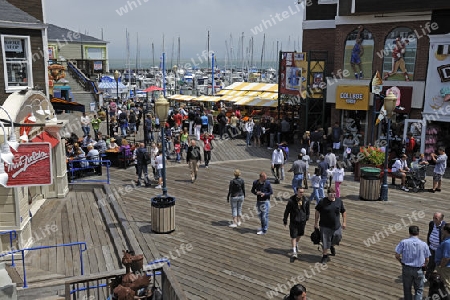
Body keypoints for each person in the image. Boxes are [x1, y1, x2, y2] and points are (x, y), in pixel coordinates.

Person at [394, 225, 430, 300]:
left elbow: (397, 255)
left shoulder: (403, 242)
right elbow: (427, 259)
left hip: (406, 268)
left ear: (409, 232)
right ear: (418, 233)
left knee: (407, 289)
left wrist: (401, 262)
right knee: (419, 290)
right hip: (419, 269)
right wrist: (424, 269)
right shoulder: (423, 244)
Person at [314, 186, 347, 264]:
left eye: (334, 194)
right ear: (327, 194)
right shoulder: (322, 201)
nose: (333, 196)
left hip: (336, 226)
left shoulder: (339, 201)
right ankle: (324, 256)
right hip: (325, 225)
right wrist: (316, 222)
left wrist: (344, 222)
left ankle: (332, 245)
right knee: (325, 241)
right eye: (331, 194)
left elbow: (343, 211)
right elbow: (317, 211)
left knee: (338, 237)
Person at [283, 188, 310, 259]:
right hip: (294, 221)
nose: (301, 193)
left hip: (302, 220)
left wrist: (307, 216)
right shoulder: (291, 200)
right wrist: (285, 219)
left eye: (302, 192)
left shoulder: (306, 200)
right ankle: (294, 251)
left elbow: (307, 210)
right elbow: (287, 211)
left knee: (300, 234)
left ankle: (296, 244)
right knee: (293, 236)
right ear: (297, 192)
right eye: (300, 192)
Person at [426, 212, 446, 280]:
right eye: (433, 218)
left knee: (438, 264)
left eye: (436, 218)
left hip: (439, 249)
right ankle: (427, 277)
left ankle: (439, 278)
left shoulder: (444, 226)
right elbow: (429, 233)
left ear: (441, 219)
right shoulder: (431, 223)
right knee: (430, 263)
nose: (434, 220)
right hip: (431, 247)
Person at [435, 223, 450, 293]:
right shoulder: (446, 240)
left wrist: (441, 266)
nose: (442, 230)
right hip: (445, 266)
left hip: (445, 267)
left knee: (446, 284)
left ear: (446, 231)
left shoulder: (447, 243)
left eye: (443, 229)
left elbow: (446, 257)